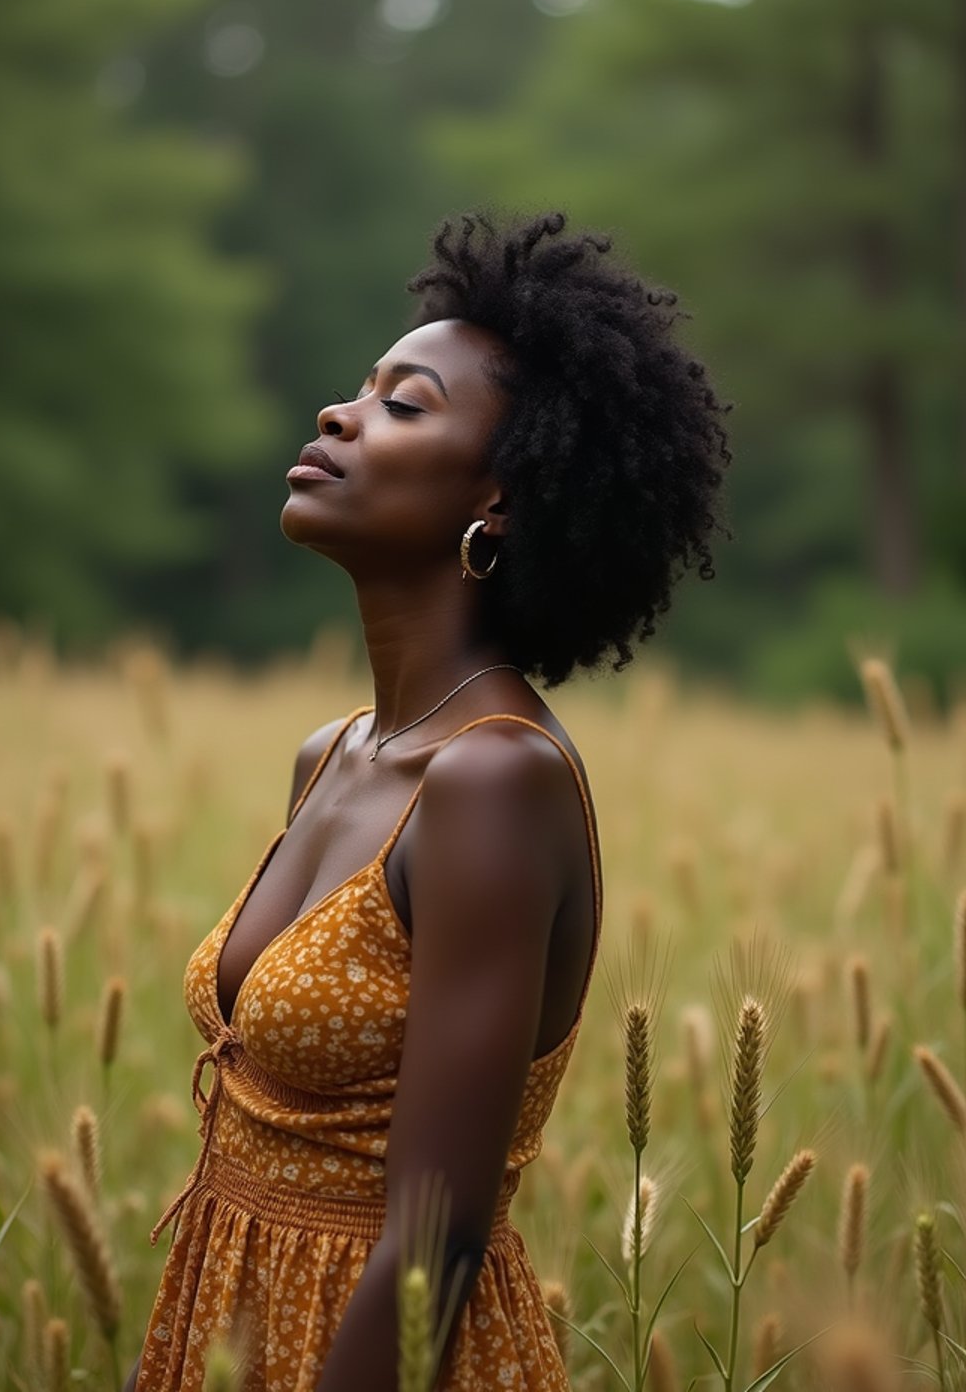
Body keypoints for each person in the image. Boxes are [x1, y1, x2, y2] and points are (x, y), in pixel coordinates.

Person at [126, 211, 733, 1391]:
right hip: (226, 1319)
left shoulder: (494, 781)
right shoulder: (333, 753)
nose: (337, 416)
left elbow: (435, 1238)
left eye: (403, 405)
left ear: (499, 499)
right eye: (359, 392)